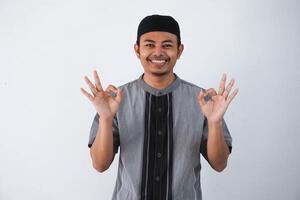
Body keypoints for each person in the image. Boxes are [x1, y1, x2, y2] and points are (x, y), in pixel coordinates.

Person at [80, 14, 238, 200]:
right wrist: (106, 119)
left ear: (179, 51)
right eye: (149, 44)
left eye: (167, 45)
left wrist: (215, 122)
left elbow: (219, 164)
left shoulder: (204, 101)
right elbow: (100, 165)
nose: (158, 52)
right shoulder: (114, 100)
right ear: (137, 50)